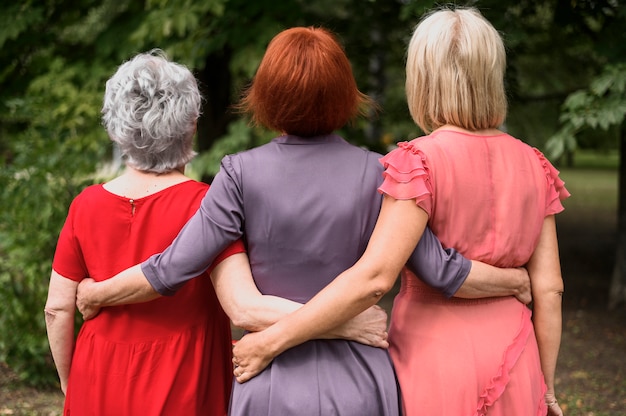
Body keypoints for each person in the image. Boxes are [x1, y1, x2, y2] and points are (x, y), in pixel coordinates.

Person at [76, 27, 532, 415]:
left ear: (267, 94)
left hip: (269, 379)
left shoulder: (238, 174)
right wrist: (515, 279)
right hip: (361, 379)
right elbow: (441, 270)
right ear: (344, 94)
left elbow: (171, 267)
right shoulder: (383, 171)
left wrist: (99, 291)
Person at [230, 9, 569, 416]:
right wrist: (546, 387)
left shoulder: (418, 161)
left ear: (422, 79)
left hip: (436, 357)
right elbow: (550, 289)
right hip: (517, 355)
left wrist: (270, 340)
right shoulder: (535, 164)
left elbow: (374, 278)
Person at [43, 50, 250, 415]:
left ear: (114, 128)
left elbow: (58, 308)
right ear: (191, 125)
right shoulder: (208, 206)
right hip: (185, 382)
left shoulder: (85, 205)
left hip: (97, 378)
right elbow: (240, 302)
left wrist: (68, 381)